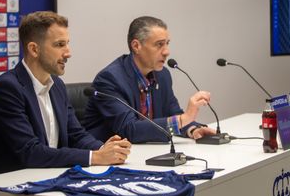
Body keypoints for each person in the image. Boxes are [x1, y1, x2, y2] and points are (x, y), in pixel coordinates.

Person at [0, 11, 131, 175]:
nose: (68, 53)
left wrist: (105, 149)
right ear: (34, 49)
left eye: (67, 44)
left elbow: (76, 134)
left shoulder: (57, 86)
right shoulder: (7, 88)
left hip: (49, 177)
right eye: (60, 45)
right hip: (8, 186)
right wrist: (96, 157)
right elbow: (30, 153)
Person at [83, 16, 217, 143]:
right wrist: (185, 119)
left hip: (146, 152)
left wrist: (192, 129)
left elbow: (173, 112)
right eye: (159, 45)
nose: (166, 52)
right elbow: (129, 130)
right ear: (136, 46)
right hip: (105, 159)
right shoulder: (110, 79)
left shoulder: (162, 75)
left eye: (167, 44)